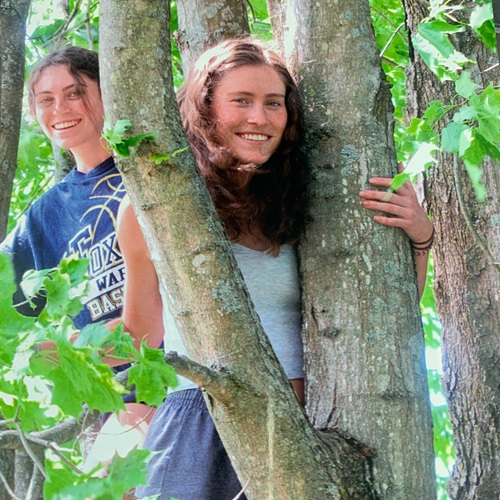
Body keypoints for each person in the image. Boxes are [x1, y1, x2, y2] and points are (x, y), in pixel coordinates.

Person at [117, 38, 434, 500]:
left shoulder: (311, 199)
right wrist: (49, 356)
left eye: (273, 103)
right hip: (201, 423)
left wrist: (420, 236)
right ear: (204, 109)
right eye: (240, 101)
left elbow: (386, 317)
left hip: (314, 423)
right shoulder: (156, 208)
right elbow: (141, 336)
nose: (259, 118)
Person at [0, 46, 153, 461]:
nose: (60, 108)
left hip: (170, 372)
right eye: (45, 100)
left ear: (109, 93)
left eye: (74, 93)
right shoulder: (45, 215)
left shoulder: (151, 168)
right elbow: (6, 304)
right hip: (112, 394)